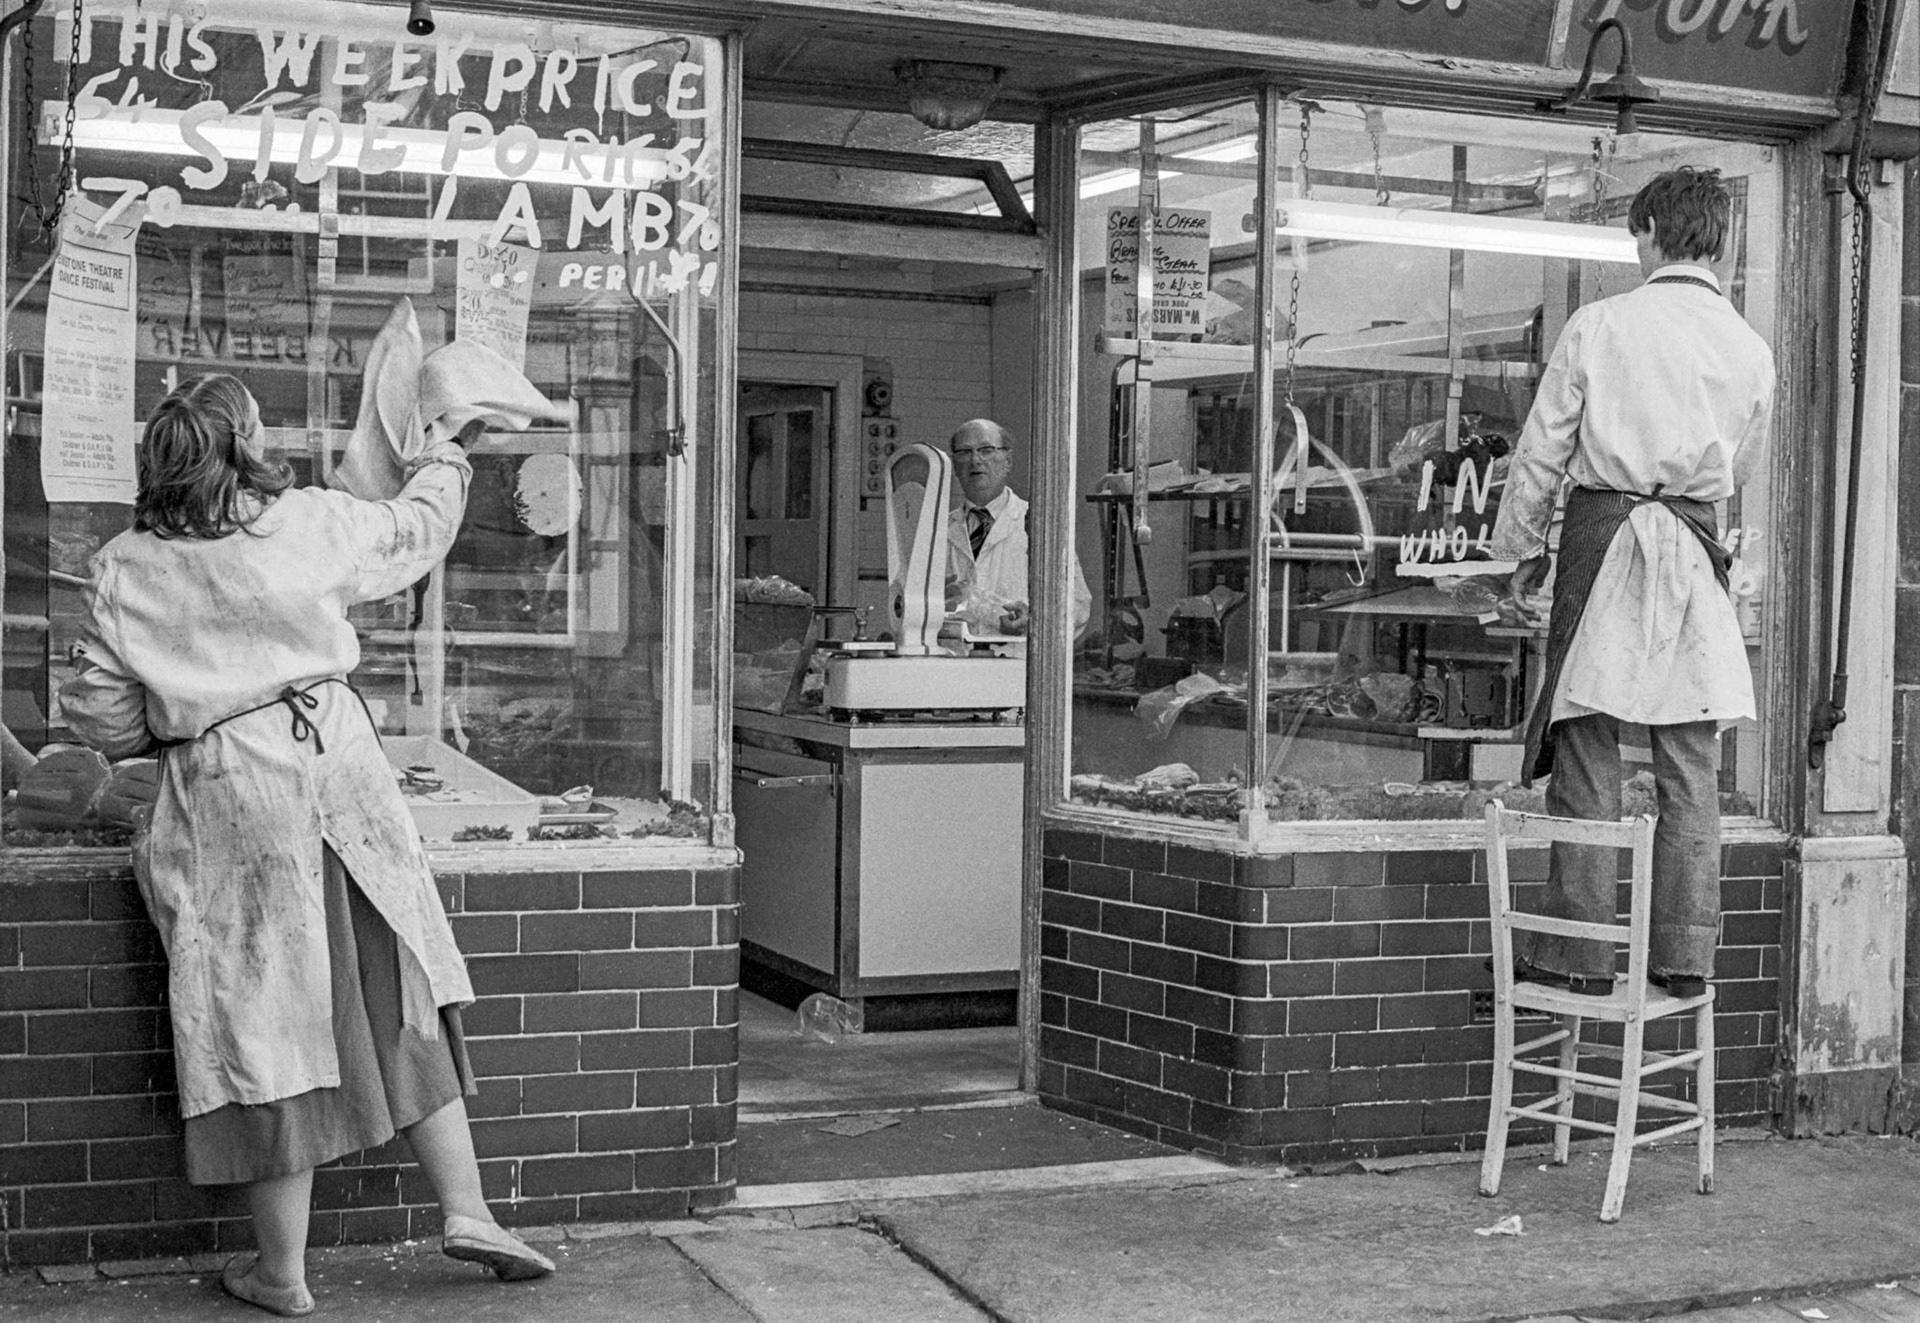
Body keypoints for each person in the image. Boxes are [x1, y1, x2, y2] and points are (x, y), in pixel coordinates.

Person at [58, 374, 554, 1318]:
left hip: (234, 790)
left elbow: (105, 719)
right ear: (245, 442)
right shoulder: (310, 521)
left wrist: (170, 704)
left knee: (264, 1020)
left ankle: (282, 1273)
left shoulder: (126, 565)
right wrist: (449, 450)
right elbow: (413, 530)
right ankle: (470, 1209)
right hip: (338, 767)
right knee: (393, 982)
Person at [1488, 166, 1775, 1000]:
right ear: (1717, 239)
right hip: (1692, 540)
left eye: (1636, 235)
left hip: (1604, 536)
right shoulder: (1748, 348)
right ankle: (1685, 953)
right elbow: (1740, 469)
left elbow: (1543, 450)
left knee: (1586, 744)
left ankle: (1578, 951)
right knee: (1690, 758)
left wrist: (1519, 549)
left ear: (1649, 232)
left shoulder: (1600, 324)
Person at [946, 418, 1091, 639]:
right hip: (952, 666)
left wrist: (1035, 620)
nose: (975, 460)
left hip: (1018, 664)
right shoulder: (937, 532)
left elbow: (1078, 606)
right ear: (954, 464)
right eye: (964, 452)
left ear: (1008, 460)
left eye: (986, 450)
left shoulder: (1041, 524)